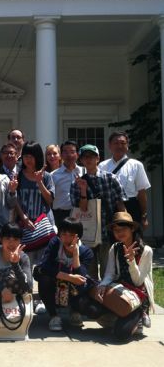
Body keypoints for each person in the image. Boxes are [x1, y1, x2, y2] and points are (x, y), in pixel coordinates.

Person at [86, 212, 154, 340]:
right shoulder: (115, 248)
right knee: (91, 309)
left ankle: (139, 314)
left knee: (121, 334)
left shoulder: (146, 251)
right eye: (116, 230)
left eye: (123, 229)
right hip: (120, 290)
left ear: (132, 228)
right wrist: (102, 285)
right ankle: (119, 315)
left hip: (138, 294)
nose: (119, 233)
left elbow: (138, 281)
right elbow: (110, 274)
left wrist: (131, 261)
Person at [70, 144, 126, 280]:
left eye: (92, 156)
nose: (88, 160)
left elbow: (120, 204)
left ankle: (108, 298)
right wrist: (83, 190)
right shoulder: (76, 184)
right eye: (85, 157)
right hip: (87, 233)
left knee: (110, 270)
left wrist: (125, 225)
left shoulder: (111, 178)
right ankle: (92, 298)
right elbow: (81, 209)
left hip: (108, 231)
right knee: (90, 272)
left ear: (98, 158)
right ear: (81, 161)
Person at [34, 217, 93, 331]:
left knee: (84, 287)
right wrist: (69, 277)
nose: (67, 238)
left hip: (73, 290)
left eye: (71, 235)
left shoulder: (86, 252)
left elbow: (81, 277)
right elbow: (44, 267)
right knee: (44, 279)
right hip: (55, 283)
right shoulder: (55, 243)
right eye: (63, 234)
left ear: (78, 236)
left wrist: (75, 254)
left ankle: (75, 311)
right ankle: (54, 316)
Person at [99, 131, 151, 229]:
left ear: (127, 145)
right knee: (113, 240)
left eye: (123, 143)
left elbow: (142, 192)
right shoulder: (102, 166)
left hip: (131, 206)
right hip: (110, 207)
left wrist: (144, 216)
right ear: (110, 146)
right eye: (116, 143)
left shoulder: (136, 165)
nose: (119, 146)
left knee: (134, 240)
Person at [15, 141, 55, 267]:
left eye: (31, 156)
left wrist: (40, 182)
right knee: (26, 264)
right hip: (25, 226)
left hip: (43, 226)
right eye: (26, 156)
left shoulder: (47, 176)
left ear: (37, 157)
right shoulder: (19, 176)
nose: (28, 160)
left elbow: (50, 200)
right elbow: (15, 200)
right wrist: (23, 217)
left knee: (45, 264)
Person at [0, 223, 33, 301]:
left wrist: (15, 264)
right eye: (7, 239)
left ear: (20, 241)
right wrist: (1, 289)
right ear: (1, 239)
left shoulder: (24, 257)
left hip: (16, 297)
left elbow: (28, 286)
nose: (11, 243)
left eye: (16, 239)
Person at [51, 140, 83, 228]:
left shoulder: (84, 172)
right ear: (61, 155)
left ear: (77, 154)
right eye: (65, 152)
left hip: (81, 214)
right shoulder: (53, 175)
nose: (69, 155)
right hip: (60, 215)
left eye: (72, 152)